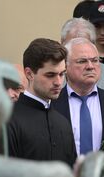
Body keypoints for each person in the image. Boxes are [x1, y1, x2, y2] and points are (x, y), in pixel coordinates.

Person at [52, 38, 104, 159]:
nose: (90, 66)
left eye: (95, 60)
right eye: (82, 61)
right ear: (65, 66)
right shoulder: (51, 104)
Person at [5, 38, 74, 167]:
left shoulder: (63, 124)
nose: (58, 82)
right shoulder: (8, 119)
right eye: (50, 75)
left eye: (62, 74)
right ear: (29, 74)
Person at [60, 17, 104, 96]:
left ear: (94, 45)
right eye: (72, 44)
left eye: (84, 44)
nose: (78, 50)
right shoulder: (51, 74)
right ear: (62, 44)